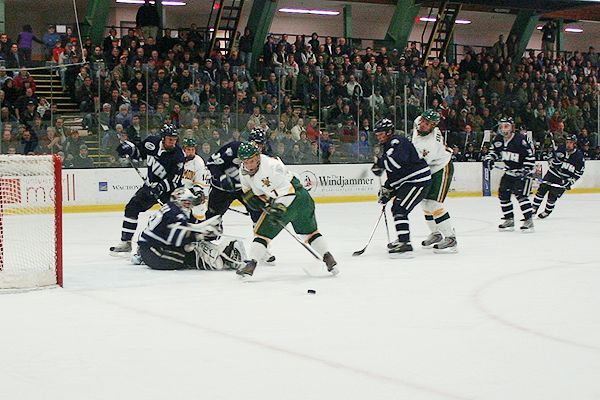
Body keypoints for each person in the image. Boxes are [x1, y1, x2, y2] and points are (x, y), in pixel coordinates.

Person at [236, 142, 338, 277]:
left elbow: (288, 191)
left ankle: (251, 265)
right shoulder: (243, 171)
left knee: (262, 233)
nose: (250, 165)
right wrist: (253, 199)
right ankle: (329, 258)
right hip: (301, 198)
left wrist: (278, 210)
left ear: (258, 157)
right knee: (310, 232)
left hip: (293, 198)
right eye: (246, 162)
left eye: (253, 161)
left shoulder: (271, 167)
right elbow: (249, 190)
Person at [110, 124, 185, 255]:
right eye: (170, 139)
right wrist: (128, 151)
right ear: (163, 138)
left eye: (174, 139)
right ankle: (126, 242)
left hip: (170, 192)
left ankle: (175, 245)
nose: (172, 142)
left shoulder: (178, 155)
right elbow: (139, 153)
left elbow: (174, 180)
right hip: (150, 187)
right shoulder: (151, 142)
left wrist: (159, 189)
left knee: (171, 218)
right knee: (132, 207)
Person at [137, 187, 246, 271]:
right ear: (177, 200)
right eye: (185, 202)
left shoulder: (175, 209)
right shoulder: (175, 213)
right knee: (189, 254)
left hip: (151, 248)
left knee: (192, 244)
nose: (188, 205)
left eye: (190, 202)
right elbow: (178, 240)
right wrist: (201, 236)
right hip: (154, 254)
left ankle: (224, 255)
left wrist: (211, 231)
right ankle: (225, 259)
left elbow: (196, 225)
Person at [371, 119, 432, 257]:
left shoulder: (397, 142)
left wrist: (380, 163)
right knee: (398, 207)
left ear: (389, 132)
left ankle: (405, 244)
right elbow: (396, 175)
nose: (378, 136)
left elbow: (395, 163)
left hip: (418, 182)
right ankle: (403, 239)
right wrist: (388, 189)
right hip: (410, 181)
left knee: (400, 208)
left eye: (381, 133)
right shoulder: (389, 145)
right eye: (377, 134)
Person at [411, 110, 457, 253]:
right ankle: (436, 234)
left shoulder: (429, 145)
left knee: (433, 203)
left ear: (433, 126)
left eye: (427, 124)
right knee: (424, 202)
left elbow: (419, 166)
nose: (422, 124)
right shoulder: (417, 121)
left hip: (441, 167)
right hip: (430, 167)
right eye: (423, 121)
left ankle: (450, 238)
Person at [483, 117, 536, 232]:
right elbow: (494, 152)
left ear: (512, 127)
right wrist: (489, 159)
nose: (503, 128)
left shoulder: (520, 139)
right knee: (503, 194)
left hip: (522, 173)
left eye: (506, 126)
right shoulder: (498, 139)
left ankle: (528, 220)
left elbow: (530, 156)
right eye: (501, 126)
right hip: (509, 172)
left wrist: (525, 169)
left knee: (521, 195)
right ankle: (509, 219)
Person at [532, 135, 585, 219]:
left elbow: (579, 173)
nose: (568, 144)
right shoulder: (560, 149)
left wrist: (570, 181)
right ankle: (534, 209)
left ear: (575, 144)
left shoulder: (579, 157)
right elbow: (550, 158)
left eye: (570, 142)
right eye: (567, 142)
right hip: (552, 174)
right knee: (541, 191)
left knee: (552, 197)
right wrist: (553, 162)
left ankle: (547, 212)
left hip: (563, 179)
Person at [181, 137, 210, 218]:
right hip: (179, 193)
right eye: (188, 149)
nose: (191, 152)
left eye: (192, 149)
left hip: (192, 192)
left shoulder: (198, 162)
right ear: (184, 149)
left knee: (199, 213)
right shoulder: (178, 159)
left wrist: (197, 193)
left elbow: (199, 182)